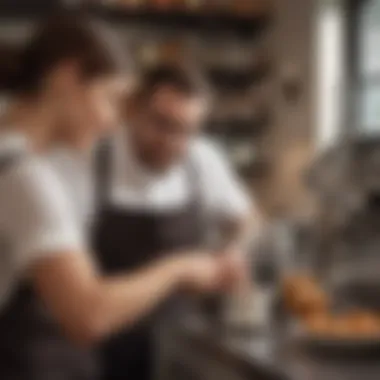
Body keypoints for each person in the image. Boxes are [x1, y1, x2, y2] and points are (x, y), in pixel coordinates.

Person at [0, 15, 239, 380]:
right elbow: (89, 316)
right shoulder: (24, 176)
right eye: (110, 98)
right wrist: (179, 268)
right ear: (67, 78)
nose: (113, 122)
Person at [92, 65, 256, 380]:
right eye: (162, 125)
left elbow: (247, 219)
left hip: (180, 346)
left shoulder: (202, 159)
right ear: (133, 110)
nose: (173, 142)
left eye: (186, 130)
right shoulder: (96, 159)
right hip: (103, 348)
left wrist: (235, 250)